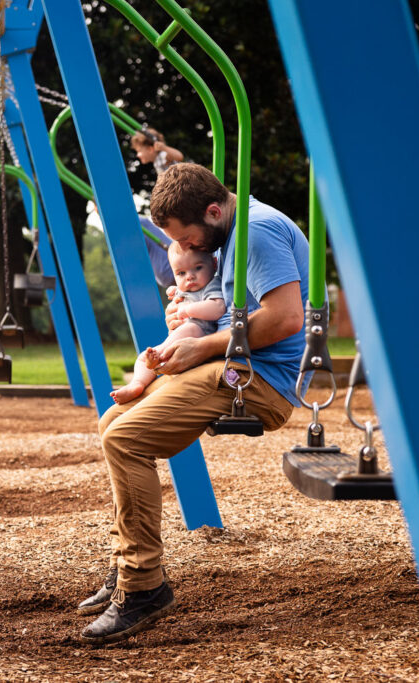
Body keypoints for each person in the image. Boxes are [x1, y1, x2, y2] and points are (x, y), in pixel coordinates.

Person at [77, 163, 308, 644]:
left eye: (191, 239)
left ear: (212, 210)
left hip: (261, 377)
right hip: (237, 362)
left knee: (125, 437)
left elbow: (286, 319)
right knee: (114, 420)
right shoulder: (228, 228)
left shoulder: (257, 230)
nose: (191, 249)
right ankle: (128, 564)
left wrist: (200, 346)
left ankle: (143, 588)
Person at [112, 242, 225, 404]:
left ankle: (161, 357)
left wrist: (187, 309)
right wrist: (174, 292)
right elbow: (177, 294)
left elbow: (217, 308)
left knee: (187, 330)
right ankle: (137, 383)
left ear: (213, 265)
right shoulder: (187, 288)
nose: (190, 276)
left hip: (199, 332)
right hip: (182, 335)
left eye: (198, 268)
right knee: (143, 357)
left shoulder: (211, 285)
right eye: (181, 273)